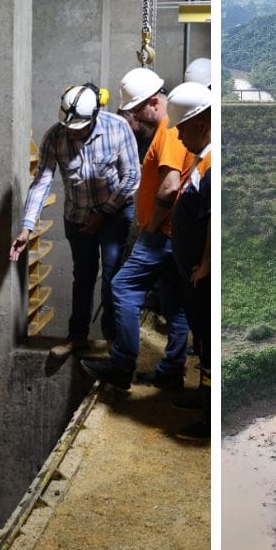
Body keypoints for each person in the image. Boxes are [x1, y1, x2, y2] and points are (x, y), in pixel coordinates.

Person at [81, 68, 192, 391]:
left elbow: (170, 187)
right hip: (174, 234)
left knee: (122, 288)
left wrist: (151, 229)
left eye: (136, 110)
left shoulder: (170, 129)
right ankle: (171, 370)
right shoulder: (168, 127)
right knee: (174, 302)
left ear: (155, 102)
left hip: (162, 234)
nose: (133, 118)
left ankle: (122, 363)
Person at [10, 84, 139, 358]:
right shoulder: (55, 136)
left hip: (114, 213)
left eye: (79, 126)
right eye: (69, 125)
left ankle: (112, 341)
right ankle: (77, 336)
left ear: (94, 115)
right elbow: (41, 182)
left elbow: (131, 177)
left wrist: (102, 214)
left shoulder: (118, 128)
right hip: (77, 217)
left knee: (112, 275)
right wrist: (26, 227)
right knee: (83, 276)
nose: (73, 130)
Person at [165, 81, 211, 440]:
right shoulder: (203, 157)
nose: (178, 136)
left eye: (181, 127)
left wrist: (206, 264)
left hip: (202, 273)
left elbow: (213, 217)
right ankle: (203, 400)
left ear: (201, 122)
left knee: (207, 343)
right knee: (201, 340)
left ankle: (209, 418)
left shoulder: (212, 161)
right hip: (193, 270)